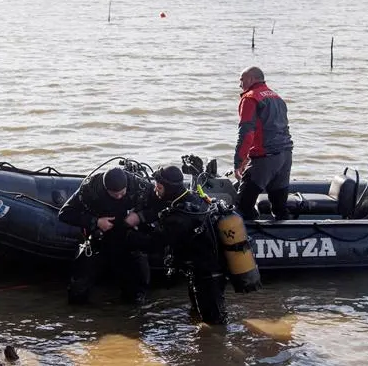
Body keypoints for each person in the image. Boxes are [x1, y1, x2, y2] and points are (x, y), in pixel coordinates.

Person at [126, 166, 228, 325]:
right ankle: (203, 343)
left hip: (207, 275)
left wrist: (130, 236)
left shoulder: (180, 216)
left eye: (158, 187)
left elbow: (155, 243)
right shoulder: (193, 198)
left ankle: (216, 347)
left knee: (215, 324)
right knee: (200, 314)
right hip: (204, 269)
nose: (155, 190)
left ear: (168, 188)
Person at [58, 166, 158, 305]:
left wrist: (140, 216)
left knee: (137, 292)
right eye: (114, 194)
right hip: (99, 239)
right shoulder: (90, 189)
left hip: (130, 239)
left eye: (122, 194)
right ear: (106, 189)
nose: (118, 197)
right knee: (78, 289)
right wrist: (96, 222)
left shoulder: (140, 186)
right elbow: (65, 213)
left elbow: (161, 208)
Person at [234, 66, 294, 221]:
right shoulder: (277, 98)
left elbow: (246, 133)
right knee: (280, 207)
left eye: (242, 79)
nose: (239, 84)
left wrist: (238, 162)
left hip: (265, 158)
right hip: (285, 156)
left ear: (252, 79)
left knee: (242, 205)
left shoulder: (250, 98)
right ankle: (288, 237)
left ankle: (249, 238)